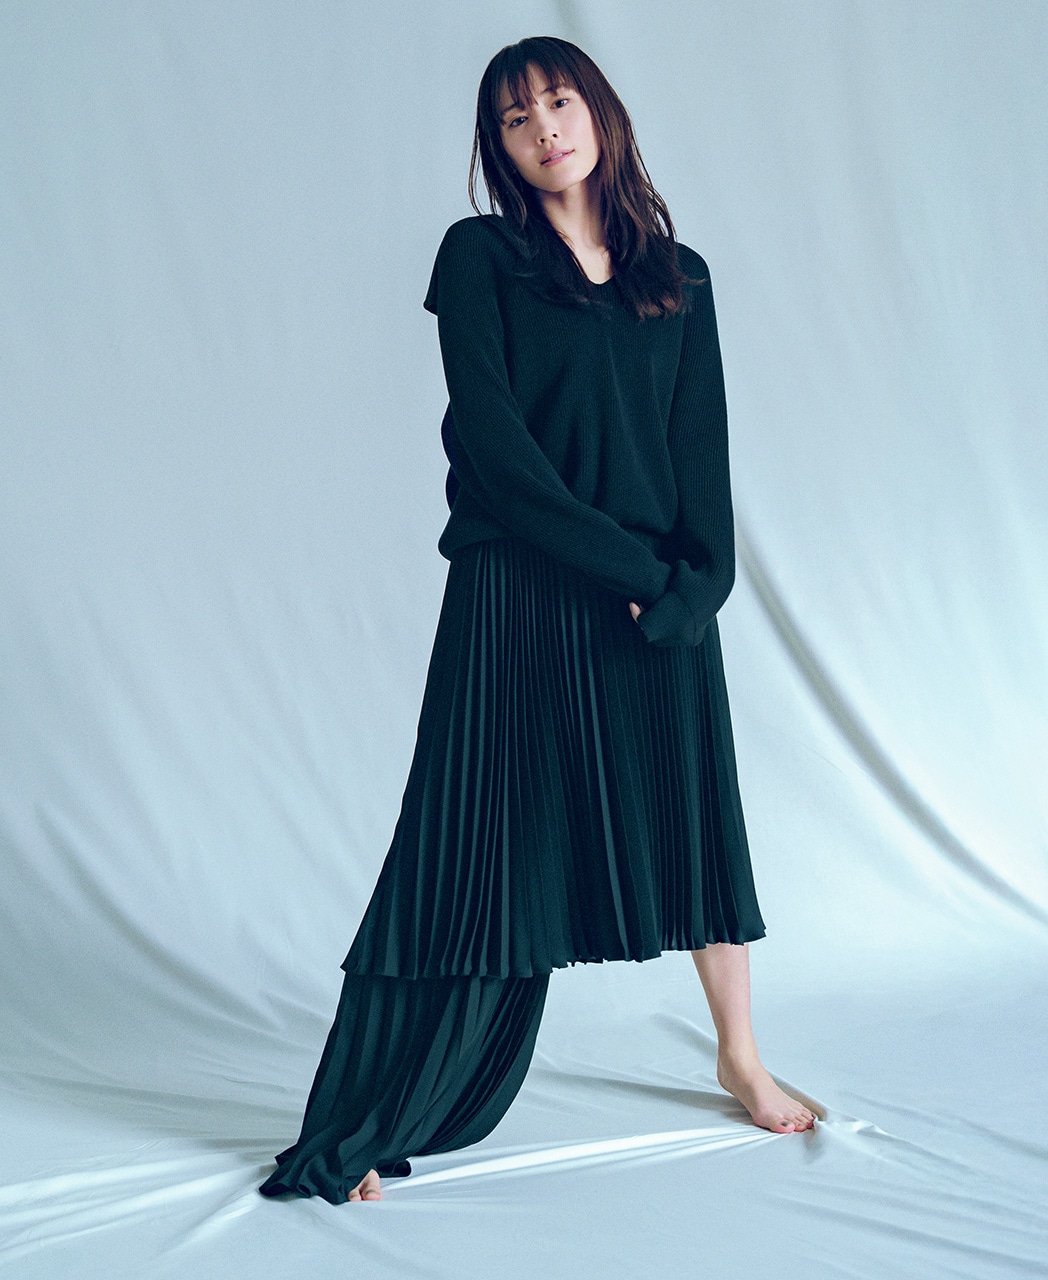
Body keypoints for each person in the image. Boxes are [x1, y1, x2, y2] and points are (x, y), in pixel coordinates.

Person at [258, 34, 815, 1206]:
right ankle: (380, 1111)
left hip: (654, 601)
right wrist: (631, 568)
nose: (545, 129)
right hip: (519, 588)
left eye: (558, 102)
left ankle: (738, 1054)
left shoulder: (680, 276)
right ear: (498, 147)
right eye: (516, 119)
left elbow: (701, 453)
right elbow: (496, 455)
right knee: (473, 849)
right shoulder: (480, 257)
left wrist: (694, 590)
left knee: (695, 819)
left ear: (598, 111)